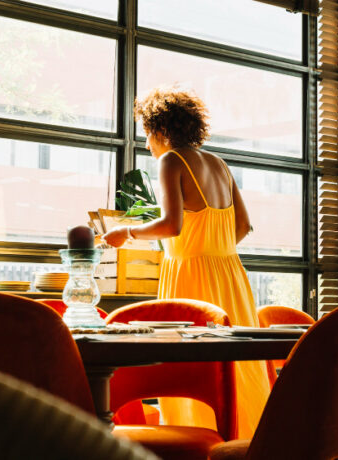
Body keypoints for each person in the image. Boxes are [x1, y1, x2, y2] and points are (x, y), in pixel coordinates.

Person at [103, 87, 270, 438]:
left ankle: (197, 443)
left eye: (148, 135)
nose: (148, 145)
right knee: (238, 368)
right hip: (230, 274)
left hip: (190, 275)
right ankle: (247, 444)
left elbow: (171, 225)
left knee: (190, 368)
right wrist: (212, 246)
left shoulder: (171, 161)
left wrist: (126, 233)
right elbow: (243, 226)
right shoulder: (220, 164)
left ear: (161, 131)